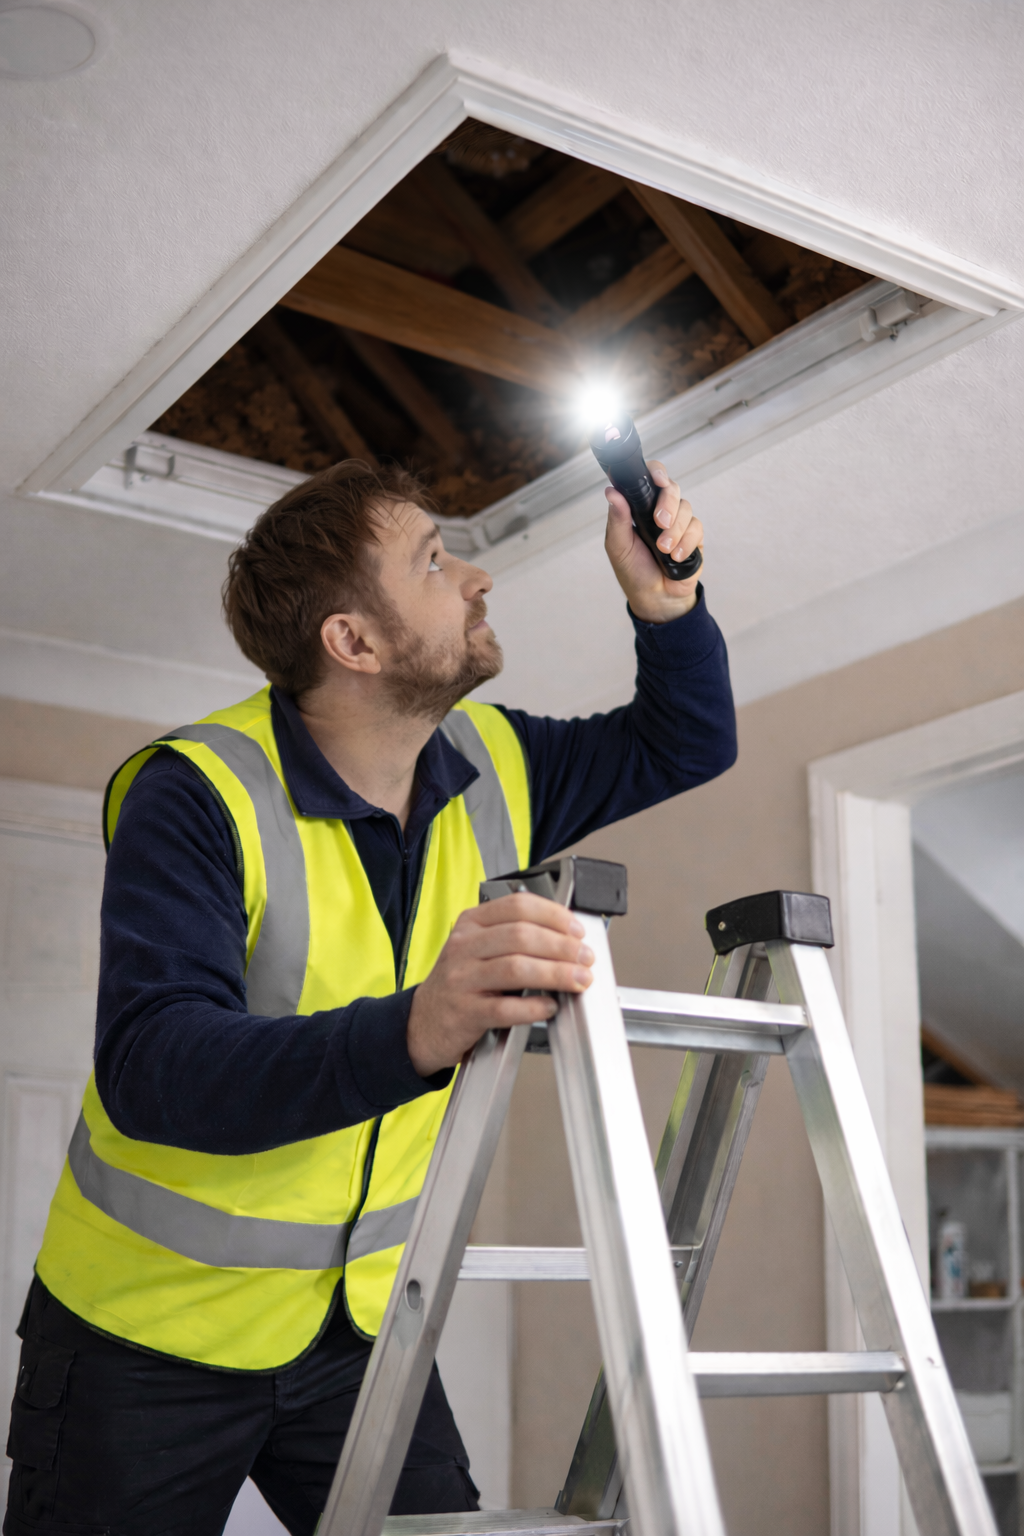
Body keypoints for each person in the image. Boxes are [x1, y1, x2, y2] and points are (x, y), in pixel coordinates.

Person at [5, 455, 736, 1536]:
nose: (477, 578)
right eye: (435, 561)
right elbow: (158, 1069)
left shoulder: (492, 765)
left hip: (361, 1334)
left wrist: (667, 605)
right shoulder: (196, 793)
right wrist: (420, 1026)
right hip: (144, 1341)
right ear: (352, 643)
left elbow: (686, 741)